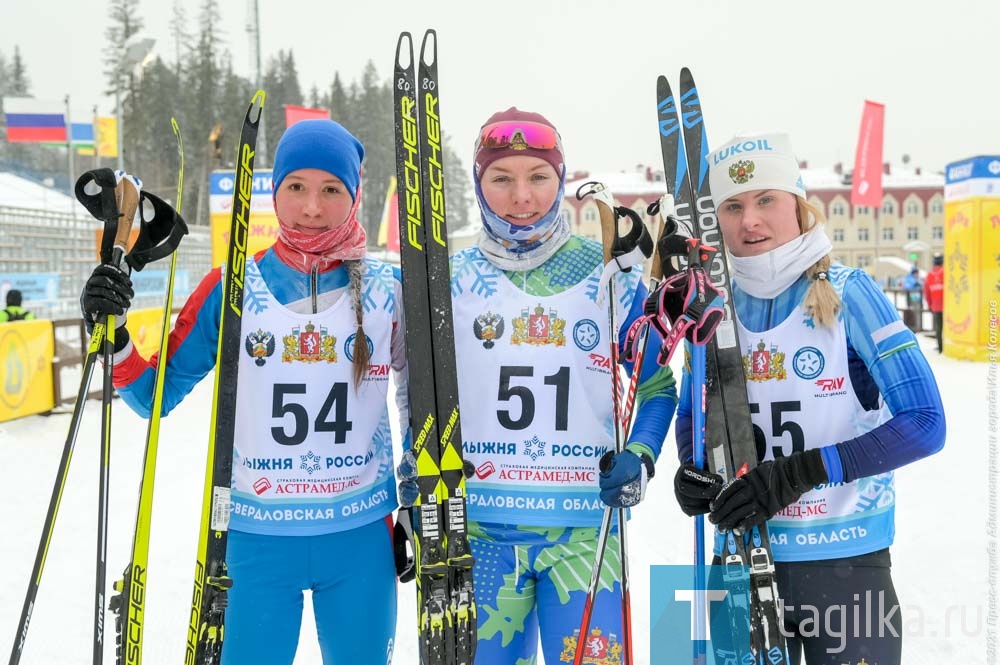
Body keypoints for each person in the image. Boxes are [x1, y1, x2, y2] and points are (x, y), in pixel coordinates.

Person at [80, 120, 406, 664]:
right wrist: (112, 332)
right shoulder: (231, 287)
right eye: (296, 187)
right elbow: (149, 395)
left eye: (332, 190)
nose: (311, 207)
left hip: (359, 535)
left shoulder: (387, 291)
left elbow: (420, 402)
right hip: (257, 538)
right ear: (274, 190)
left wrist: (420, 504)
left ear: (355, 195)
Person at [407, 107, 676, 664]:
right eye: (501, 178)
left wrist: (641, 454)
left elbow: (655, 388)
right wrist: (414, 482)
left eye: (538, 177)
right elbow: (417, 395)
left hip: (583, 534)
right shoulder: (448, 281)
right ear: (478, 185)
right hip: (476, 531)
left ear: (561, 181)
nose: (521, 196)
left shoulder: (607, 273)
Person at [671, 133, 946, 664]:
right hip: (736, 563)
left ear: (798, 206)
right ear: (716, 219)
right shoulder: (708, 307)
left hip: (844, 564)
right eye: (733, 206)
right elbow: (692, 414)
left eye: (765, 199)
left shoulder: (850, 291)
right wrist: (694, 469)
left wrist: (800, 472)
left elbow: (926, 421)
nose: (749, 220)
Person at [924, 253, 945, 353]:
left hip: (935, 306)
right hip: (947, 306)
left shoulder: (930, 275)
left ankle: (940, 347)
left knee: (938, 327)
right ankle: (946, 347)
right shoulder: (946, 273)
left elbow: (927, 292)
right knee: (947, 327)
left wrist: (929, 305)